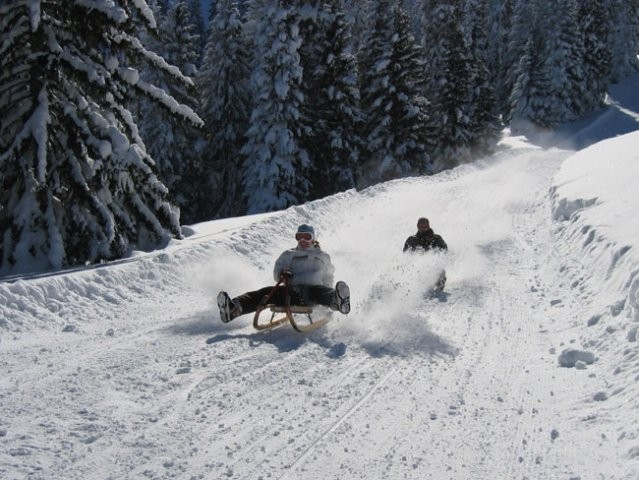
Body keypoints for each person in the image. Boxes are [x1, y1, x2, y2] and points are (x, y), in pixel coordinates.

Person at [217, 224, 350, 323]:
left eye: (306, 237)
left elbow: (328, 277)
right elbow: (277, 271)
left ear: (313, 238)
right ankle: (234, 308)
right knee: (266, 292)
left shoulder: (322, 256)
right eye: (299, 237)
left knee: (320, 291)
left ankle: (337, 301)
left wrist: (327, 299)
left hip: (313, 293)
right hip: (291, 293)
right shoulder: (289, 254)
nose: (303, 240)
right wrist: (282, 273)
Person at [403, 217, 448, 291]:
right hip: (417, 267)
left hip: (434, 265)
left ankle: (438, 289)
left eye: (425, 226)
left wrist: (435, 253)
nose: (423, 228)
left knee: (439, 270)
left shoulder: (436, 238)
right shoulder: (412, 239)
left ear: (428, 226)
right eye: (421, 226)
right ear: (418, 226)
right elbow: (405, 253)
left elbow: (444, 249)